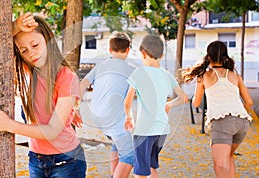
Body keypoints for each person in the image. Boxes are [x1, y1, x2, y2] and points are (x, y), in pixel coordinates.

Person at [0, 12, 87, 178]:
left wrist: (8, 125)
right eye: (24, 50)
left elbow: (53, 131)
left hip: (67, 161)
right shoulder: (28, 72)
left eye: (35, 45)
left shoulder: (66, 76)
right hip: (36, 160)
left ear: (49, 39)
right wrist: (16, 26)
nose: (30, 53)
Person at [182, 40, 253, 178]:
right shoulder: (235, 75)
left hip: (222, 121)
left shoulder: (204, 75)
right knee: (229, 157)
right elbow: (249, 102)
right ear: (225, 57)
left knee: (219, 165)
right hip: (242, 123)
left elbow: (196, 103)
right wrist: (237, 115)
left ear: (208, 57)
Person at [124, 34, 187, 178]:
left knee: (140, 172)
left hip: (144, 130)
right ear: (162, 55)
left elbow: (127, 102)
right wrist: (169, 104)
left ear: (143, 52)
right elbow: (183, 97)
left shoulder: (139, 73)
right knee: (151, 167)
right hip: (161, 130)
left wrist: (129, 118)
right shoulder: (166, 74)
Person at [79, 31, 137, 178]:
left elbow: (81, 85)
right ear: (128, 50)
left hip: (97, 118)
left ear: (110, 50)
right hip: (114, 120)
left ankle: (114, 174)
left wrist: (75, 108)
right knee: (130, 156)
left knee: (118, 144)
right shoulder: (132, 70)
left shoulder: (100, 66)